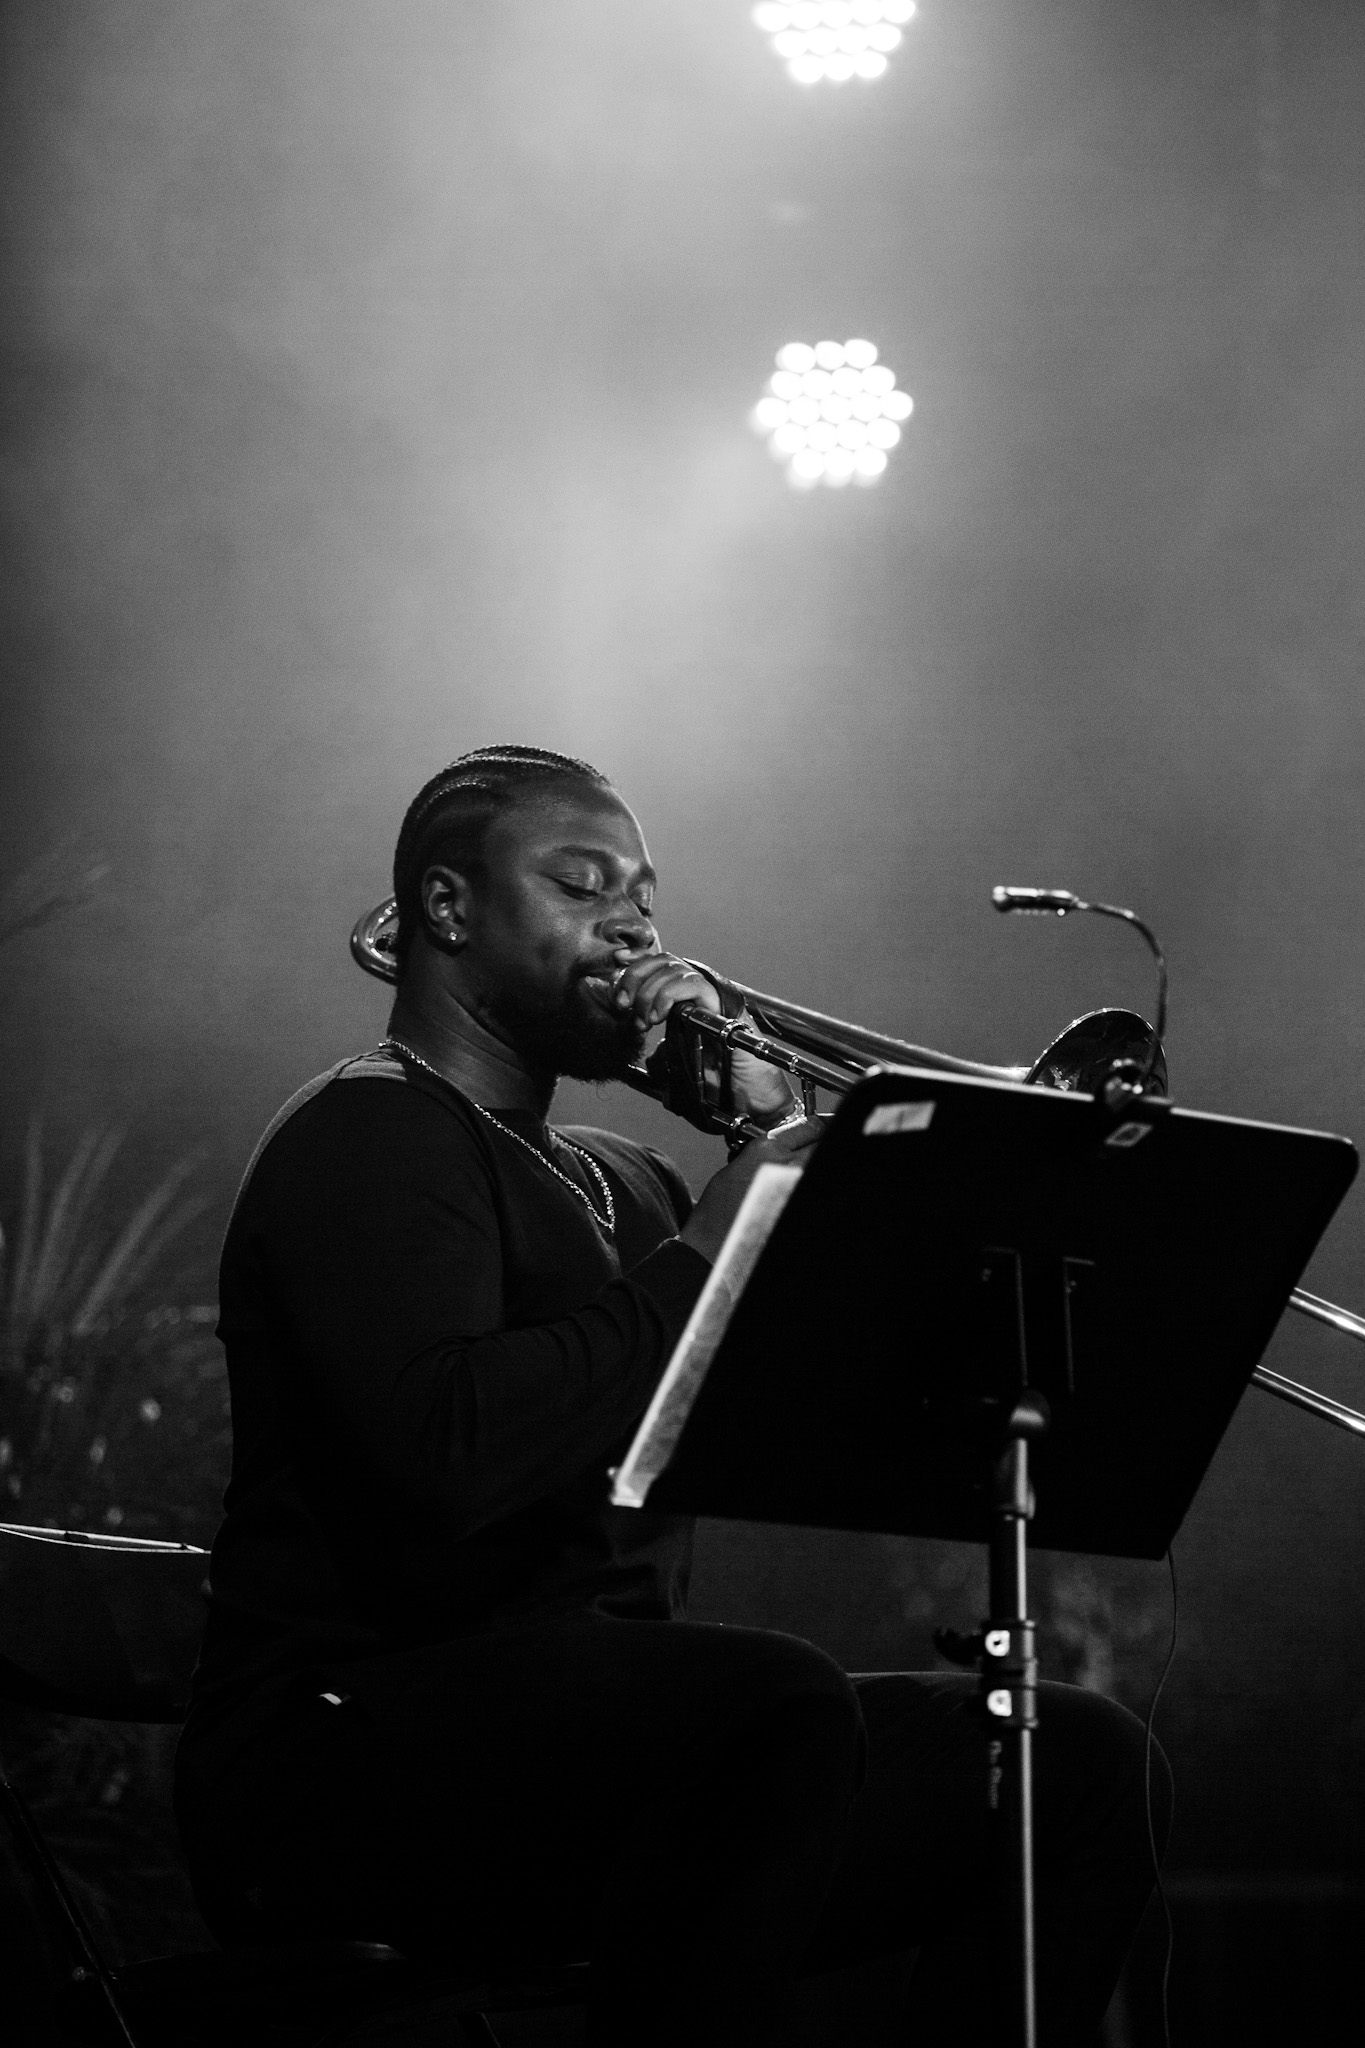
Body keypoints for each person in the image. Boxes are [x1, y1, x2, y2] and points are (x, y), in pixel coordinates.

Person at [175, 744, 1166, 2046]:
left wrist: (769, 1143)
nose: (633, 926)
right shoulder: (367, 1130)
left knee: (1073, 1765)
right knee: (770, 1705)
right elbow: (443, 1456)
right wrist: (722, 1237)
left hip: (616, 1755)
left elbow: (818, 1408)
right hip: (340, 1757)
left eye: (642, 896)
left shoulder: (631, 1180)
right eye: (582, 886)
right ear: (448, 909)